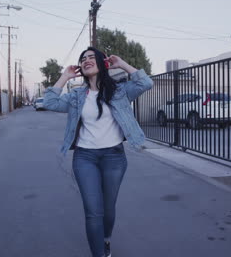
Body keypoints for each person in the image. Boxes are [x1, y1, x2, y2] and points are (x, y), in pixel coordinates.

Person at [43, 47, 153, 257]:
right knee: (94, 212)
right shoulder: (76, 96)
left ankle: (105, 240)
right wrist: (64, 77)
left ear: (103, 63)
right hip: (85, 158)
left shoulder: (120, 91)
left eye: (92, 57)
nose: (86, 61)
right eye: (83, 59)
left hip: (114, 157)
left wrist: (121, 64)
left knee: (108, 209)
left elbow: (145, 83)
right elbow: (49, 102)